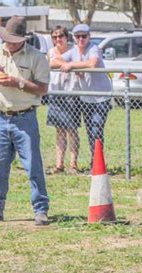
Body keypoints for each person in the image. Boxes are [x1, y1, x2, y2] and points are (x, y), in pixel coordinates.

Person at [0, 16, 50, 225]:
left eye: (14, 39)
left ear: (24, 39)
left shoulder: (36, 57)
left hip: (25, 117)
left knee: (33, 165)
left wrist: (19, 83)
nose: (10, 42)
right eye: (7, 38)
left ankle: (41, 209)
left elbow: (43, 88)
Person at [51, 24, 112, 168]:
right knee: (90, 131)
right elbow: (53, 61)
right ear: (73, 37)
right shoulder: (73, 51)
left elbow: (92, 64)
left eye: (84, 36)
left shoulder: (94, 48)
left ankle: (97, 163)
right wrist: (73, 64)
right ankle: (96, 162)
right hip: (85, 98)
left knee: (96, 129)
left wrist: (72, 65)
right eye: (77, 36)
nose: (81, 39)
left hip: (101, 97)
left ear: (89, 37)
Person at [46, 25, 81, 174]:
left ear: (67, 37)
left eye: (60, 36)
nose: (58, 39)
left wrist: (71, 64)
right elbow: (51, 63)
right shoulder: (51, 52)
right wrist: (66, 64)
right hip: (55, 92)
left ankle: (73, 164)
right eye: (54, 37)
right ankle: (59, 164)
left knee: (72, 130)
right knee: (59, 130)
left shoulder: (74, 51)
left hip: (71, 93)